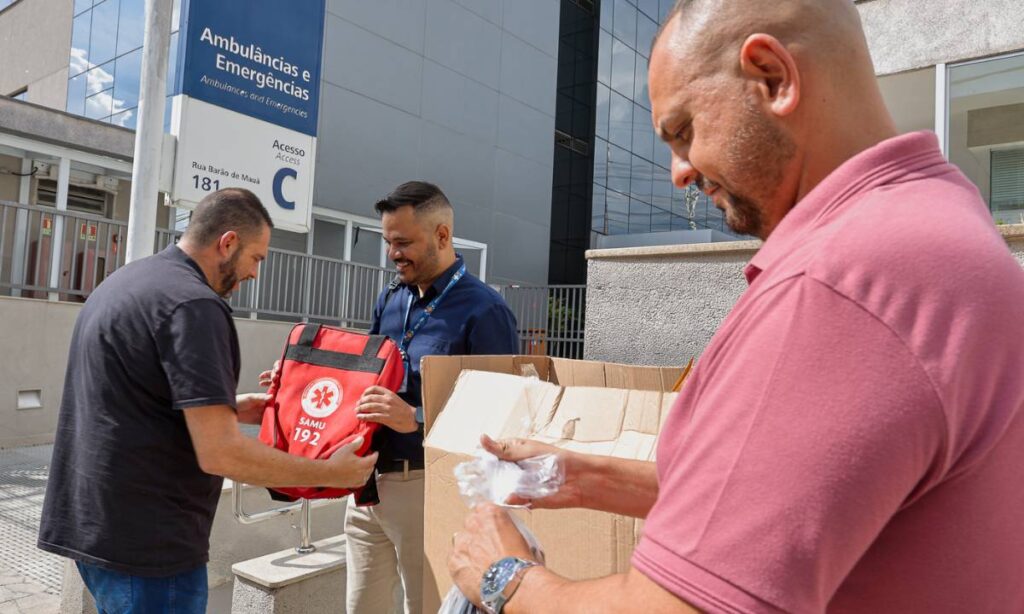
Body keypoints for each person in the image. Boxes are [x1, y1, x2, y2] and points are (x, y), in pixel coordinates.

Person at [448, 1, 1024, 612]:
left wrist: (505, 578)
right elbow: (785, 492)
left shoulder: (840, 284)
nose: (678, 172)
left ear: (772, 77)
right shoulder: (935, 225)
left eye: (684, 132)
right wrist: (583, 477)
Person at [38, 188, 378, 613]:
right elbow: (221, 454)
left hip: (95, 527)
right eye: (257, 258)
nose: (255, 274)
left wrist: (230, 407)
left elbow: (134, 398)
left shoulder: (127, 282)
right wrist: (331, 473)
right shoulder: (195, 306)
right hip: (151, 549)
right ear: (228, 242)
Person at [348, 181, 519, 613]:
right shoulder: (390, 299)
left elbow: (502, 414)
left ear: (442, 236)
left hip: (428, 487)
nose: (393, 254)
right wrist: (309, 380)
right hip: (367, 487)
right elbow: (367, 371)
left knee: (425, 607)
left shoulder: (485, 310)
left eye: (403, 242)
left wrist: (417, 418)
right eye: (388, 242)